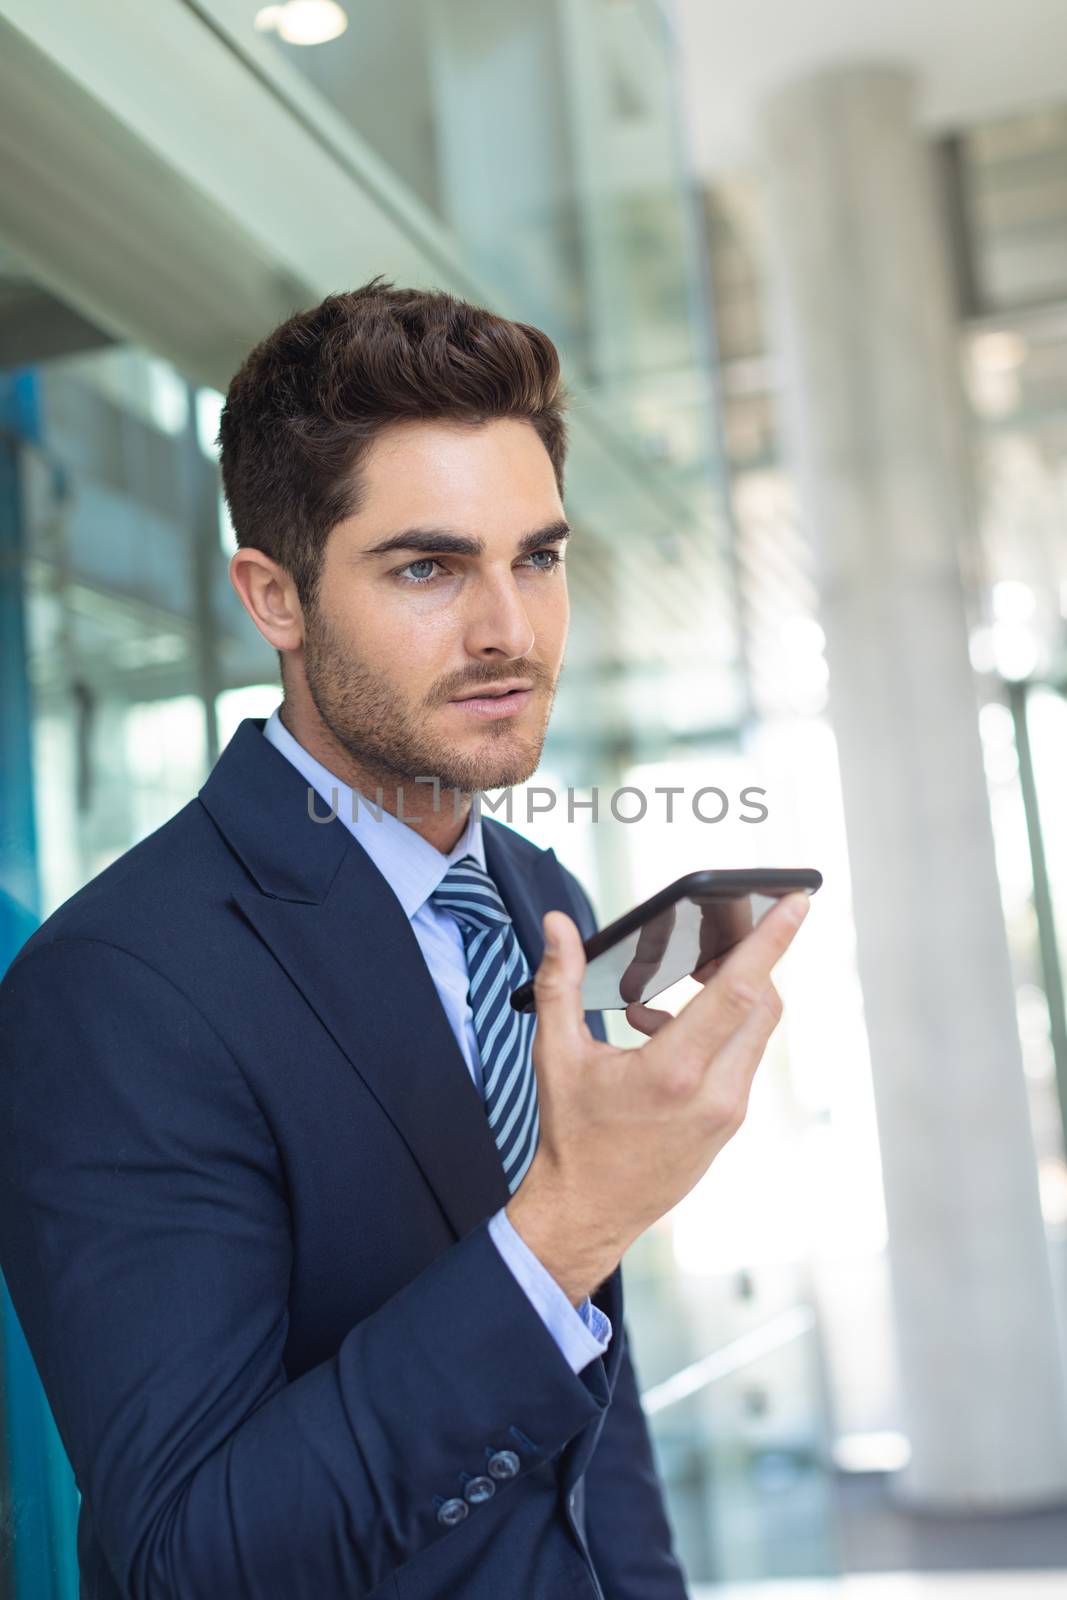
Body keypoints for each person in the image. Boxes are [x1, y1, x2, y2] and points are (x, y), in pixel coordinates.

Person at [0, 278, 808, 1599]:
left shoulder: (534, 890)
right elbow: (186, 1559)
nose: (510, 631)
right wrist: (569, 1221)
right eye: (428, 566)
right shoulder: (117, 988)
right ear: (274, 596)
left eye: (537, 557)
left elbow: (590, 1416)